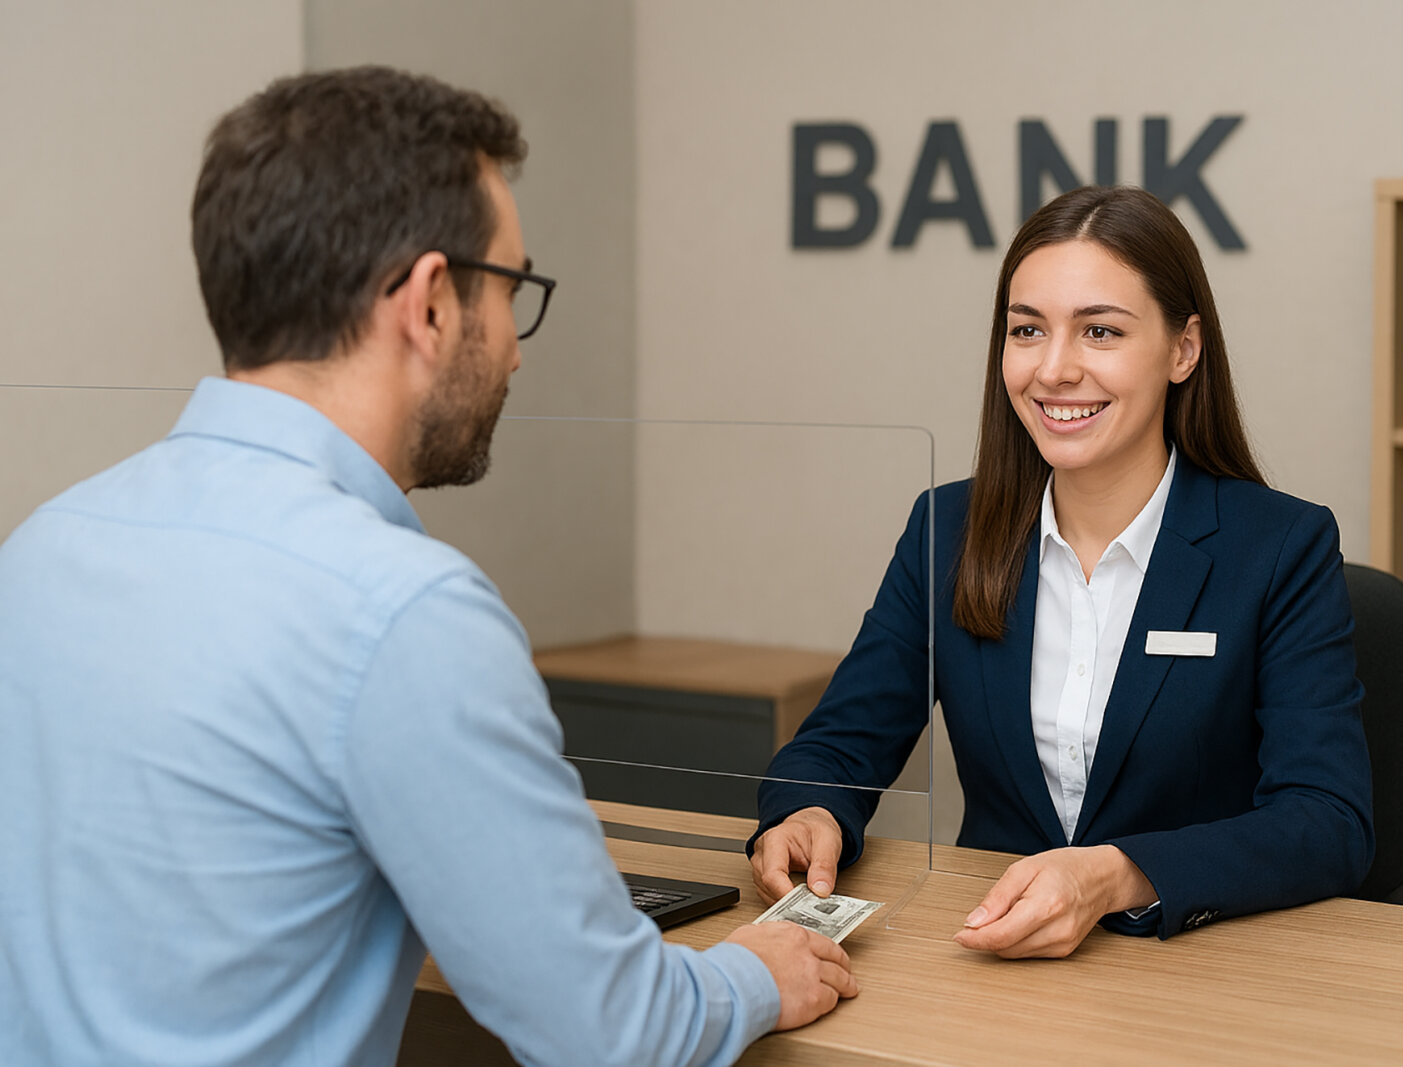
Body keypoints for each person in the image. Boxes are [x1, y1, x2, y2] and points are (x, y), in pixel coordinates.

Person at [0, 66, 854, 1066]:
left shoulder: (46, 544)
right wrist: (760, 967)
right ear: (429, 302)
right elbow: (611, 1033)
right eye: (510, 289)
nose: (516, 352)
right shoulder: (402, 611)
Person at [750, 185, 1375, 958]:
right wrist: (808, 812)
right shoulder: (948, 530)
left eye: (1100, 331)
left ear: (1184, 349)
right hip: (994, 955)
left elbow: (1328, 819)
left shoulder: (1282, 546)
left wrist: (1117, 875)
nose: (1053, 369)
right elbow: (840, 744)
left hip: (1196, 969)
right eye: (1027, 330)